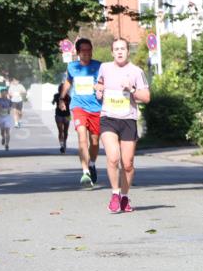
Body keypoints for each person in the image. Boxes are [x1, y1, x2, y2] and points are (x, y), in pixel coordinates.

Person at [95, 38, 150, 213]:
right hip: (108, 118)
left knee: (128, 164)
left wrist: (131, 89)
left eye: (123, 49)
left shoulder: (136, 72)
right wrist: (98, 90)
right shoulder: (104, 68)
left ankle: (125, 196)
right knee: (113, 158)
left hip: (128, 120)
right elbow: (100, 84)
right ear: (112, 52)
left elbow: (146, 97)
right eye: (116, 49)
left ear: (128, 51)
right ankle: (115, 194)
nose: (119, 52)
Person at [60, 39, 102, 187]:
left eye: (89, 50)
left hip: (96, 108)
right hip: (79, 107)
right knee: (82, 139)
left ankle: (92, 164)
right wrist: (62, 98)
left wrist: (100, 87)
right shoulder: (72, 66)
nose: (87, 53)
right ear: (78, 52)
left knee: (95, 142)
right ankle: (85, 172)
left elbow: (105, 83)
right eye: (83, 50)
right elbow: (68, 82)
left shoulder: (99, 66)